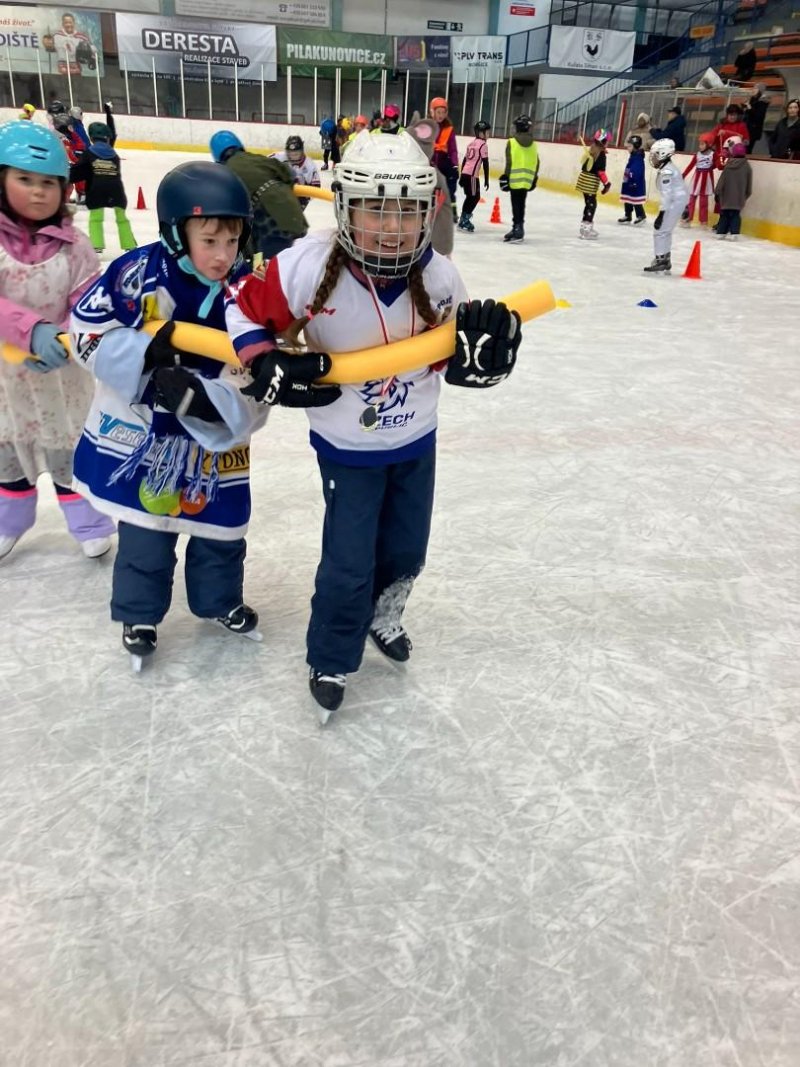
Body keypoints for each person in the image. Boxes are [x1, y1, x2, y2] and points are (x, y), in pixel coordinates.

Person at [226, 130, 521, 721]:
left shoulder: (441, 278)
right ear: (345, 209)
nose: (391, 228)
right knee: (348, 560)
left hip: (416, 441)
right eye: (374, 210)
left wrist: (473, 364)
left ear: (426, 213)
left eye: (406, 212)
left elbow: (444, 355)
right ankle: (331, 654)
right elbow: (241, 307)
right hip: (347, 447)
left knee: (407, 548)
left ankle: (385, 615)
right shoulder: (304, 266)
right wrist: (263, 359)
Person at [70, 162, 267, 665]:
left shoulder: (248, 290)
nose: (223, 255)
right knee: (145, 531)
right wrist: (142, 355)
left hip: (211, 439)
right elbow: (84, 334)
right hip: (143, 433)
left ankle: (219, 600)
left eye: (233, 241)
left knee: (221, 527)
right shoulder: (136, 275)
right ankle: (139, 614)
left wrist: (211, 401)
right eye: (210, 241)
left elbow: (260, 369)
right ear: (176, 236)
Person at [0, 120, 113, 561]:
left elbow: (89, 301)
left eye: (48, 182)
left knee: (69, 450)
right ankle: (9, 521)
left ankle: (89, 523)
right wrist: (31, 331)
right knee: (9, 452)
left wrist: (65, 338)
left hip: (63, 377)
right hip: (7, 377)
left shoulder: (75, 246)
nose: (37, 192)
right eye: (24, 179)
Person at [210, 130, 307, 265]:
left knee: (265, 268)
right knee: (292, 264)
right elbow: (289, 173)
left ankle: (262, 273)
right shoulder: (257, 158)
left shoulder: (224, 174)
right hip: (294, 215)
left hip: (269, 226)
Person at [69, 122, 136, 254]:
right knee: (121, 218)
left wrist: (67, 176)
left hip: (96, 188)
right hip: (116, 189)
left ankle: (96, 244)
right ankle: (129, 244)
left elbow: (79, 171)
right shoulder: (114, 154)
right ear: (107, 138)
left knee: (96, 218)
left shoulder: (89, 153)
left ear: (91, 138)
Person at [405, 116, 454, 255]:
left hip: (435, 245)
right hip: (420, 244)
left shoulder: (432, 177)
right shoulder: (417, 173)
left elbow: (434, 211)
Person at [643, 138, 689, 273]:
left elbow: (667, 195)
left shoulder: (666, 172)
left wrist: (661, 214)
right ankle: (665, 258)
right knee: (666, 231)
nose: (653, 158)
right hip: (677, 202)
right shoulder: (669, 168)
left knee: (660, 231)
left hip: (674, 203)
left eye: (655, 155)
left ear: (663, 154)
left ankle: (661, 260)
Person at [498, 115, 539, 244]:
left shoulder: (512, 142)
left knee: (516, 204)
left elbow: (509, 162)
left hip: (514, 179)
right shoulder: (534, 144)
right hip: (527, 180)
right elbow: (536, 162)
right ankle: (518, 227)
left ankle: (517, 229)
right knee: (521, 204)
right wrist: (534, 178)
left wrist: (505, 177)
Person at [576, 128, 611, 240]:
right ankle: (586, 229)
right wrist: (606, 184)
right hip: (590, 183)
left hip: (583, 180)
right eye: (607, 141)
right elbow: (600, 172)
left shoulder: (592, 149)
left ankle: (584, 227)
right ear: (603, 141)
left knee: (588, 204)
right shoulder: (601, 154)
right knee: (591, 205)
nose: (608, 143)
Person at [714, 141, 752, 239]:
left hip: (726, 197)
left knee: (724, 215)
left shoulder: (728, 165)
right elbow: (749, 186)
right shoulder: (747, 167)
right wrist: (745, 196)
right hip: (739, 198)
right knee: (735, 215)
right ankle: (734, 233)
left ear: (733, 153)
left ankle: (721, 232)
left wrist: (717, 192)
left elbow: (722, 181)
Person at [457, 120, 490, 233]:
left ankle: (463, 219)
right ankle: (464, 220)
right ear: (481, 133)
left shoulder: (471, 143)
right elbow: (485, 163)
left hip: (466, 174)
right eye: (487, 132)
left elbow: (465, 160)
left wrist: (461, 175)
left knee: (470, 197)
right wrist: (486, 179)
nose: (488, 134)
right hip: (472, 176)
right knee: (474, 197)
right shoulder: (483, 145)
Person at [429, 97, 459, 220]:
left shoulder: (449, 129)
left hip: (445, 163)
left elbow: (453, 149)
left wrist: (455, 165)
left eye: (443, 112)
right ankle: (429, 211)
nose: (441, 115)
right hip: (430, 163)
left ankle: (452, 212)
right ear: (432, 112)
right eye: (438, 112)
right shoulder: (427, 127)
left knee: (450, 190)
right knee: (430, 190)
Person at [273, 136, 320, 210]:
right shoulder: (277, 157)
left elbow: (316, 188)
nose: (293, 156)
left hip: (299, 200)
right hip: (279, 196)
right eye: (290, 153)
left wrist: (304, 196)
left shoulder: (310, 165)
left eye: (296, 154)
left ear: (302, 151)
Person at [682, 135, 716, 226]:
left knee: (703, 201)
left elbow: (718, 165)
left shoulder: (713, 154)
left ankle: (703, 221)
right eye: (699, 144)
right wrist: (684, 174)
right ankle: (688, 218)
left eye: (702, 144)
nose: (700, 146)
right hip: (696, 178)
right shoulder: (697, 154)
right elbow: (691, 165)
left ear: (708, 145)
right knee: (692, 199)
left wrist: (721, 158)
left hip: (706, 179)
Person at [52, 12, 96, 77]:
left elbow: (94, 50)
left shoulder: (82, 37)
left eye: (70, 22)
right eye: (66, 22)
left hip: (76, 72)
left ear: (74, 23)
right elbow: (50, 48)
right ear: (63, 24)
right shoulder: (56, 36)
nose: (68, 24)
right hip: (62, 72)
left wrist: (92, 58)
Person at [708, 104, 749, 169]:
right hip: (721, 156)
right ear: (727, 115)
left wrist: (728, 133)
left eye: (734, 115)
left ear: (737, 115)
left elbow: (746, 141)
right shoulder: (721, 125)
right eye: (731, 115)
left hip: (735, 158)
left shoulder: (741, 125)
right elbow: (711, 137)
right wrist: (709, 142)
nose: (732, 117)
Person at [618, 135, 647, 224]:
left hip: (635, 182)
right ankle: (628, 215)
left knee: (635, 199)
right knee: (627, 198)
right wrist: (626, 179)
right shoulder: (633, 155)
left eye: (630, 146)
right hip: (629, 180)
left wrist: (632, 180)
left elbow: (636, 170)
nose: (627, 147)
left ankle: (641, 215)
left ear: (635, 147)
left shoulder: (638, 157)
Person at [743, 83, 770, 153]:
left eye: (755, 88)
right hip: (746, 128)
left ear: (760, 91)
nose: (753, 90)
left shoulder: (762, 102)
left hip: (753, 129)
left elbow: (759, 116)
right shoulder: (752, 99)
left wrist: (749, 108)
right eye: (753, 88)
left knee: (747, 149)